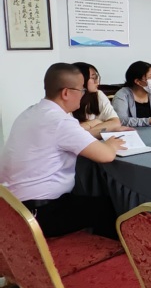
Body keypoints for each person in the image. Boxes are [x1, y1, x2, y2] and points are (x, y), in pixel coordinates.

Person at [0, 63, 126, 239]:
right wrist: (111, 144)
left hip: (11, 207)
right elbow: (106, 155)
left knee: (88, 201)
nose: (83, 95)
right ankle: (104, 253)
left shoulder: (30, 112)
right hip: (39, 213)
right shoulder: (60, 122)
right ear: (66, 93)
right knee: (110, 208)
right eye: (81, 90)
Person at [72, 62, 127, 137]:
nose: (97, 82)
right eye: (93, 78)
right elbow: (70, 132)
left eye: (97, 77)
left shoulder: (98, 94)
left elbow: (115, 123)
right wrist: (95, 122)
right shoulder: (68, 99)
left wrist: (86, 130)